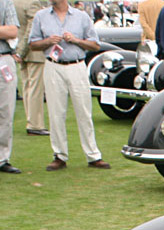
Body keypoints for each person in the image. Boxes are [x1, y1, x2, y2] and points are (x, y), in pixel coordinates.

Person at [28, 0, 108, 170]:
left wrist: (76, 40)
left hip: (77, 65)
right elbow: (33, 44)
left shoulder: (81, 16)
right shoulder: (41, 16)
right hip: (53, 65)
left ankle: (93, 155)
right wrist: (48, 41)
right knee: (56, 112)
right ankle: (59, 155)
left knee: (84, 111)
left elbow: (95, 44)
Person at [14, 0, 47, 137]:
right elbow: (31, 30)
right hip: (33, 51)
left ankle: (32, 121)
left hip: (20, 48)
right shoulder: (33, 3)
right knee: (35, 89)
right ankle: (35, 124)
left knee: (27, 87)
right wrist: (21, 51)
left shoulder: (14, 3)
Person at [0, 0, 19, 173]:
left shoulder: (5, 2)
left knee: (6, 111)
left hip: (3, 59)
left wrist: (5, 31)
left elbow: (13, 31)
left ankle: (2, 158)